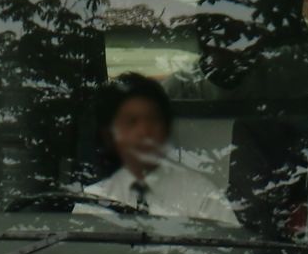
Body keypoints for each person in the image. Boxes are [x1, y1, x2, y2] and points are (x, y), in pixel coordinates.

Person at [84, 73, 234, 223]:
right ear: (109, 134)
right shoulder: (92, 201)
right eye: (131, 122)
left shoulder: (201, 195)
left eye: (153, 120)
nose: (144, 131)